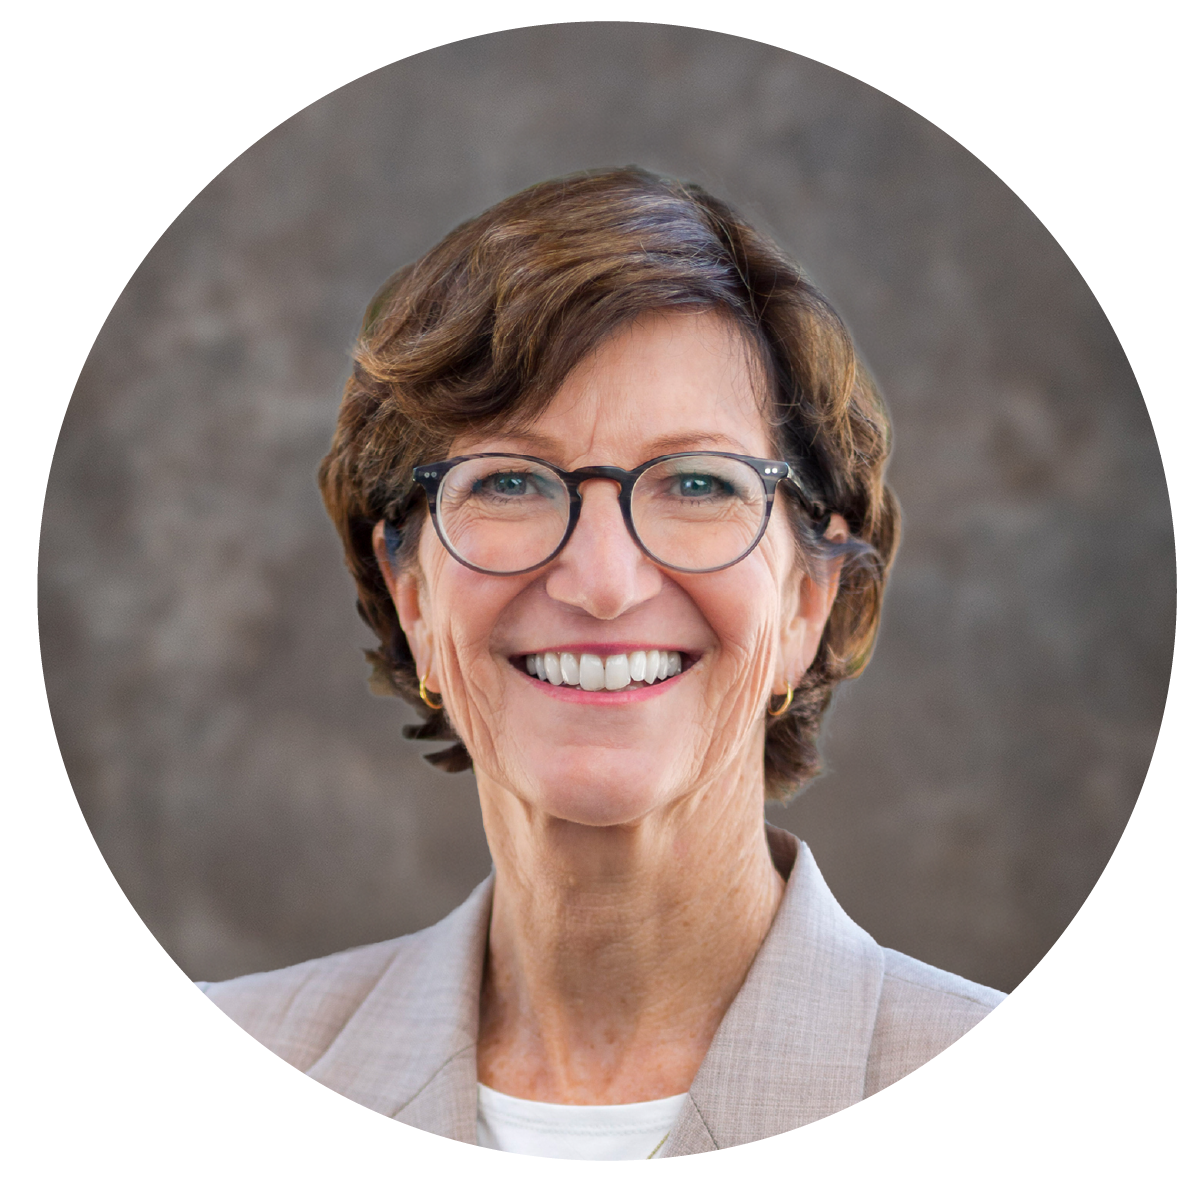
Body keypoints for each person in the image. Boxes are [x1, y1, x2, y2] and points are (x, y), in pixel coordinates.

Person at [196, 166, 1004, 1168]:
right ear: (412, 596)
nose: (603, 581)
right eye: (512, 482)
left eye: (698, 483)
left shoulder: (1055, 1113)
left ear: (809, 599)